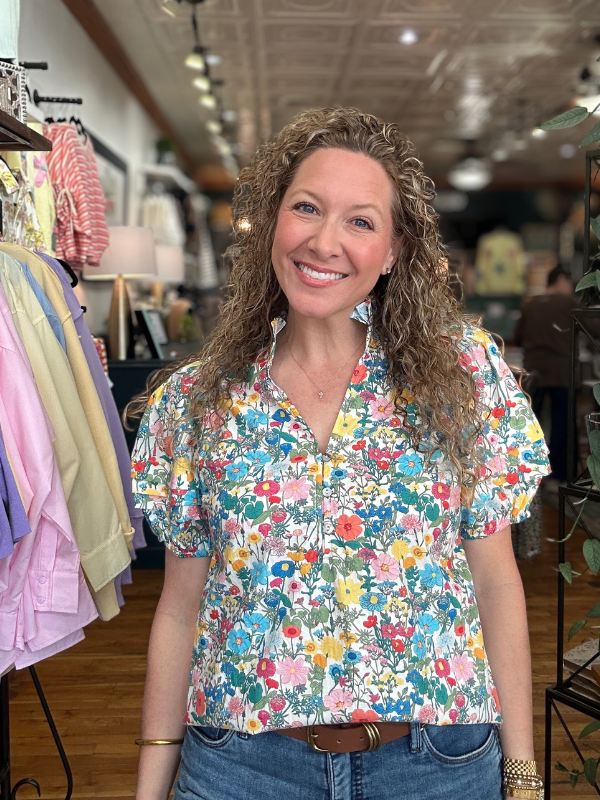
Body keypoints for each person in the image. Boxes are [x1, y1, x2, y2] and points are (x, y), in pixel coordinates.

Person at [129, 108, 549, 800]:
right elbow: (179, 609)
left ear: (392, 251)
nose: (325, 242)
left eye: (360, 221)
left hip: (435, 768)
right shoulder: (198, 402)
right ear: (272, 223)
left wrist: (524, 775)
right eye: (307, 208)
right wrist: (150, 787)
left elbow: (497, 584)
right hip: (243, 767)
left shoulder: (462, 379)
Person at [513, 266, 578, 485]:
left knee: (533, 424)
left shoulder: (530, 305)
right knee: (563, 425)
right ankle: (561, 474)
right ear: (561, 280)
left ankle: (530, 472)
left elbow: (518, 337)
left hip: (534, 373)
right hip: (562, 373)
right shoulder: (569, 304)